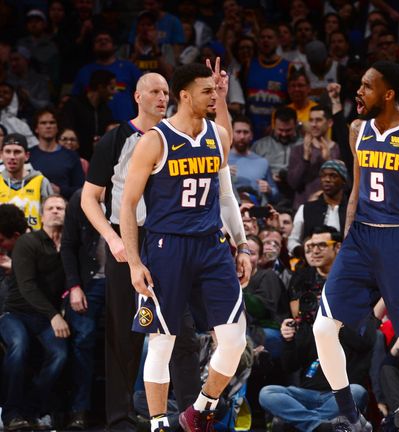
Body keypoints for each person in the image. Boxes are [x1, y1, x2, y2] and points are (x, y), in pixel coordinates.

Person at [311, 60, 399, 432]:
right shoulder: (358, 129)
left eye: (367, 86)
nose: (359, 91)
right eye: (360, 84)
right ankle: (351, 416)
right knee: (323, 328)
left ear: (388, 94)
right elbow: (356, 189)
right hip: (361, 237)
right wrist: (346, 239)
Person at [120, 63, 251, 432]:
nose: (215, 96)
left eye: (215, 90)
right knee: (163, 342)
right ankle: (159, 423)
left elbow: (225, 196)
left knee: (235, 338)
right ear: (184, 95)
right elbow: (128, 205)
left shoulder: (218, 136)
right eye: (207, 91)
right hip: (167, 247)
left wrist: (242, 245)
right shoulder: (154, 140)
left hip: (211, 245)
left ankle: (201, 410)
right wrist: (133, 262)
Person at [80, 72, 199, 432]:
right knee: (123, 334)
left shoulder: (178, 136)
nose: (162, 98)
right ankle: (120, 420)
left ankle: (191, 415)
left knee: (179, 330)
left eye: (166, 92)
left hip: (170, 239)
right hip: (125, 238)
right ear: (137, 96)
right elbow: (89, 198)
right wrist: (113, 239)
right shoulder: (116, 138)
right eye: (155, 92)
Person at [260, 227, 375, 432]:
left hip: (341, 393)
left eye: (322, 245)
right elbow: (290, 366)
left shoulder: (355, 296)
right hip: (306, 394)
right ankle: (321, 426)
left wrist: (332, 320)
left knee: (357, 392)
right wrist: (289, 340)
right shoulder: (309, 314)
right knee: (267, 393)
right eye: (310, 246)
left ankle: (309, 424)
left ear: (338, 248)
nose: (314, 251)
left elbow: (365, 342)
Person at [0, 195, 68, 431]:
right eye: (50, 208)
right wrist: (55, 315)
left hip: (44, 317)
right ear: (41, 216)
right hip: (15, 313)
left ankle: (30, 410)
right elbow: (27, 286)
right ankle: (10, 413)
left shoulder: (69, 246)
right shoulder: (27, 242)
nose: (55, 211)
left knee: (59, 354)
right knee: (18, 347)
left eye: (60, 208)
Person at [60, 188, 106, 430]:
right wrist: (74, 285)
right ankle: (79, 410)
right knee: (82, 343)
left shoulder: (135, 189)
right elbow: (68, 245)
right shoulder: (82, 197)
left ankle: (125, 410)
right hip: (89, 283)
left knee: (127, 344)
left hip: (125, 283)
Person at [287, 159, 349, 256]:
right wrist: (303, 252)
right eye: (323, 176)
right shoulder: (306, 209)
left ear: (343, 180)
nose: (327, 180)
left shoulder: (353, 210)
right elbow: (293, 240)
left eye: (333, 176)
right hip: (313, 265)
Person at [287, 105, 339, 209]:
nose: (314, 124)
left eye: (318, 120)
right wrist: (306, 158)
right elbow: (293, 183)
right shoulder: (298, 150)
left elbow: (345, 186)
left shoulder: (338, 149)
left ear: (329, 123)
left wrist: (329, 161)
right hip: (302, 209)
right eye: (311, 120)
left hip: (330, 208)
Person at [0, 133, 54, 230]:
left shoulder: (41, 182)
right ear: (1, 155)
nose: (12, 156)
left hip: (33, 242)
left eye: (17, 152)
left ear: (26, 156)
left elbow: (51, 219)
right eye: (8, 151)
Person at [29, 108, 85, 199]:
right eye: (43, 123)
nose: (48, 126)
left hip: (63, 207)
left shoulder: (71, 155)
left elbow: (81, 188)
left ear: (57, 127)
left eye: (52, 122)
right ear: (36, 128)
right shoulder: (28, 155)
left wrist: (60, 190)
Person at [229, 115, 278, 204]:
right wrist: (222, 174)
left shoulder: (262, 162)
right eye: (238, 132)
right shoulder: (222, 160)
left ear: (251, 135)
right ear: (231, 133)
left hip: (256, 212)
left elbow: (275, 193)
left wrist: (269, 189)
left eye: (245, 132)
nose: (242, 136)